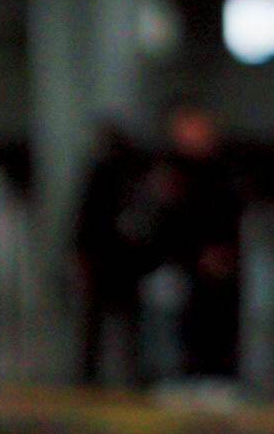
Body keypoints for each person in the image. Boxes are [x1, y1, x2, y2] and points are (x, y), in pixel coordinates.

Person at [152, 103, 247, 382]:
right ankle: (184, 373)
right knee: (179, 322)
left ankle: (218, 375)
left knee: (215, 321)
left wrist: (221, 250)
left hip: (217, 261)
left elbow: (228, 214)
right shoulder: (171, 169)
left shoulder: (223, 169)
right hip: (182, 259)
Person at [74, 121, 158, 386]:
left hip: (113, 258)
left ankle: (95, 373)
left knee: (108, 322)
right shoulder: (131, 174)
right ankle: (117, 371)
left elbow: (85, 218)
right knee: (116, 322)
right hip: (116, 258)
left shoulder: (117, 173)